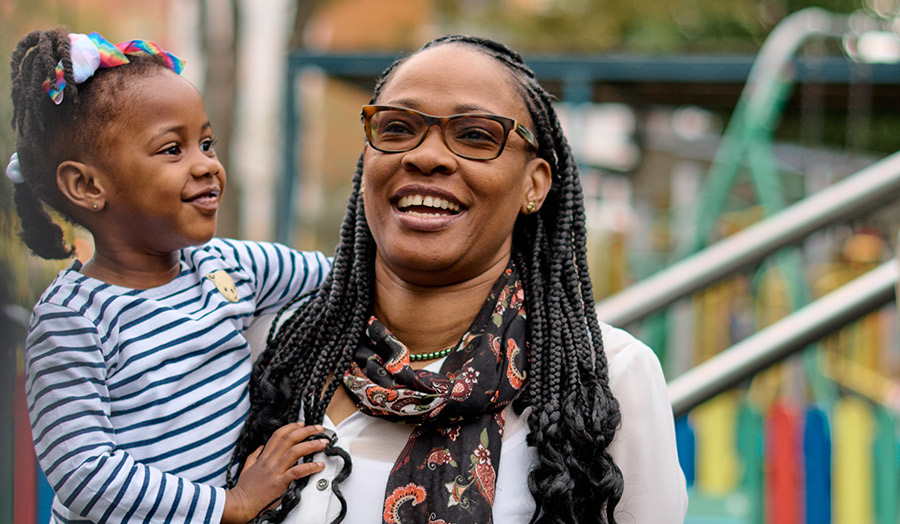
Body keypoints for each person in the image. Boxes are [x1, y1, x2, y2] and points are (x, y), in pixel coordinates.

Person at [231, 35, 688, 524]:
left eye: (474, 135)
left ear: (534, 185)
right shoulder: (269, 345)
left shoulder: (605, 381)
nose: (426, 156)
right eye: (398, 128)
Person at [9, 28, 333, 523]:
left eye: (206, 142)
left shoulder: (227, 267)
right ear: (87, 185)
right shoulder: (72, 320)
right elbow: (83, 472)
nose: (208, 166)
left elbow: (340, 275)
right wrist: (231, 504)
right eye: (172, 150)